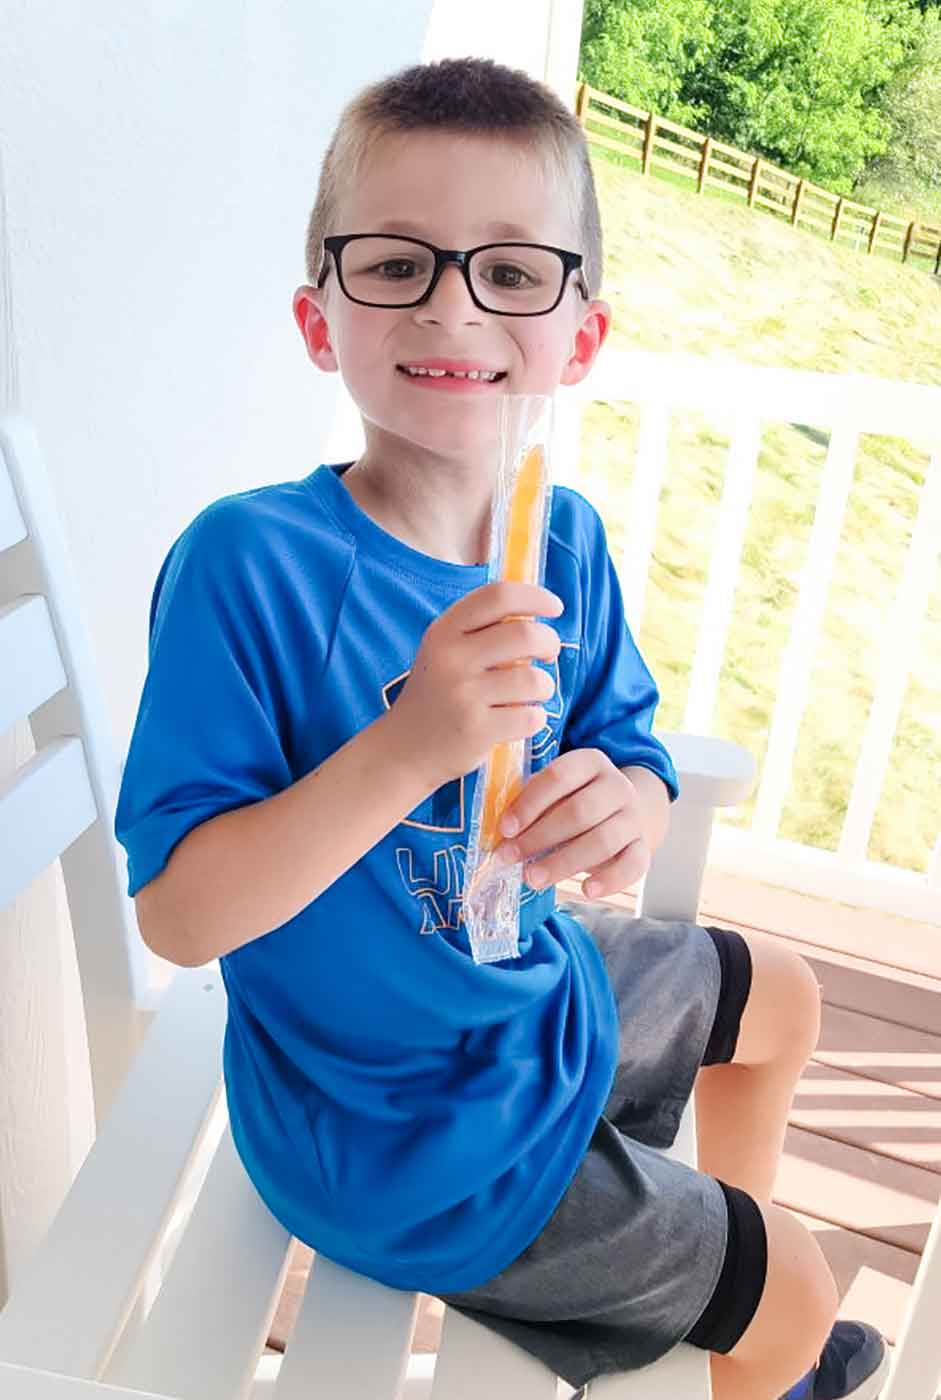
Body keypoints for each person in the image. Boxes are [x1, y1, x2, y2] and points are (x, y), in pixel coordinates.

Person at [114, 55, 889, 1400]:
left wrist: (628, 801)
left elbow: (630, 749)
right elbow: (183, 920)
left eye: (512, 270)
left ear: (577, 335)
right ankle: (759, 1322)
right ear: (320, 320)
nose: (454, 304)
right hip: (387, 1122)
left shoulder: (561, 543)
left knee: (786, 1000)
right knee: (803, 1291)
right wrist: (404, 747)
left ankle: (710, 1301)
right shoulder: (251, 565)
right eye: (397, 263)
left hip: (531, 994)